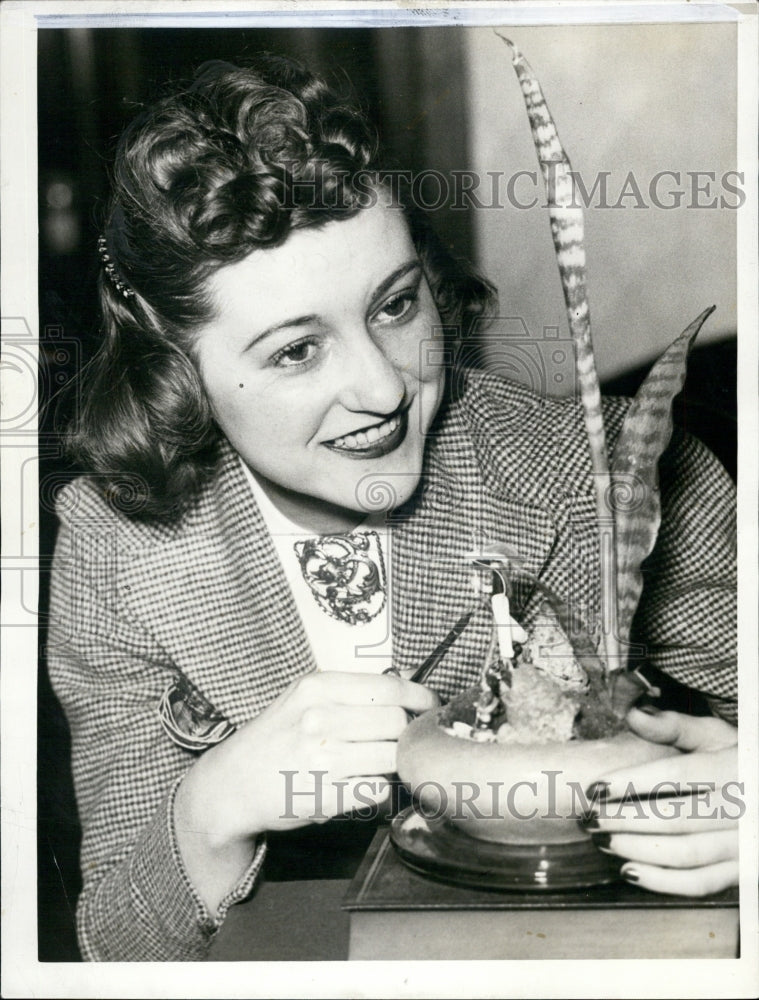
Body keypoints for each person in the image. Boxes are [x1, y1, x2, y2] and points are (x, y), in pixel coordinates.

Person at [48, 55, 738, 962]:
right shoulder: (116, 550)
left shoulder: (602, 470)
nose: (383, 386)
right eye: (296, 351)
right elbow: (116, 944)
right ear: (171, 365)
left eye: (396, 304)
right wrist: (210, 809)